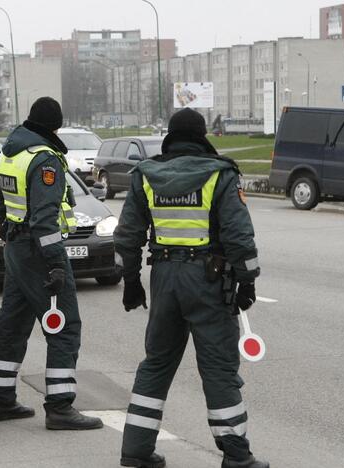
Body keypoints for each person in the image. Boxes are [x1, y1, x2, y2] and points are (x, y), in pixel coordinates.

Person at [115, 108, 268, 468]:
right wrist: (247, 280)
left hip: (164, 277)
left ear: (171, 137)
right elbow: (238, 236)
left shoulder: (146, 175)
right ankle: (235, 454)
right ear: (202, 137)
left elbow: (128, 236)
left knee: (156, 363)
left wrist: (132, 281)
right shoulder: (221, 175)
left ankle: (135, 451)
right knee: (218, 368)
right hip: (209, 282)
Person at [0, 97, 102, 431]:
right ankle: (60, 407)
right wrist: (54, 264)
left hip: (16, 250)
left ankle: (3, 400)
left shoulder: (9, 154)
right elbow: (44, 221)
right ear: (55, 126)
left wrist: (10, 233)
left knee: (12, 324)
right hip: (40, 253)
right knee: (64, 327)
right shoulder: (44, 160)